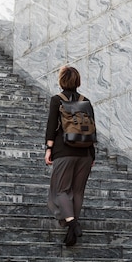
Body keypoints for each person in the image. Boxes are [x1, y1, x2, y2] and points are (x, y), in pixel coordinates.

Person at [45, 65, 95, 247]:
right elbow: (92, 130)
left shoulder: (57, 100)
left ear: (61, 81)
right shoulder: (86, 101)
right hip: (85, 153)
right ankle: (71, 232)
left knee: (61, 190)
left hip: (64, 151)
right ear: (77, 81)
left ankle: (73, 224)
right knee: (78, 191)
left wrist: (49, 148)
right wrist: (92, 155)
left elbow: (52, 126)